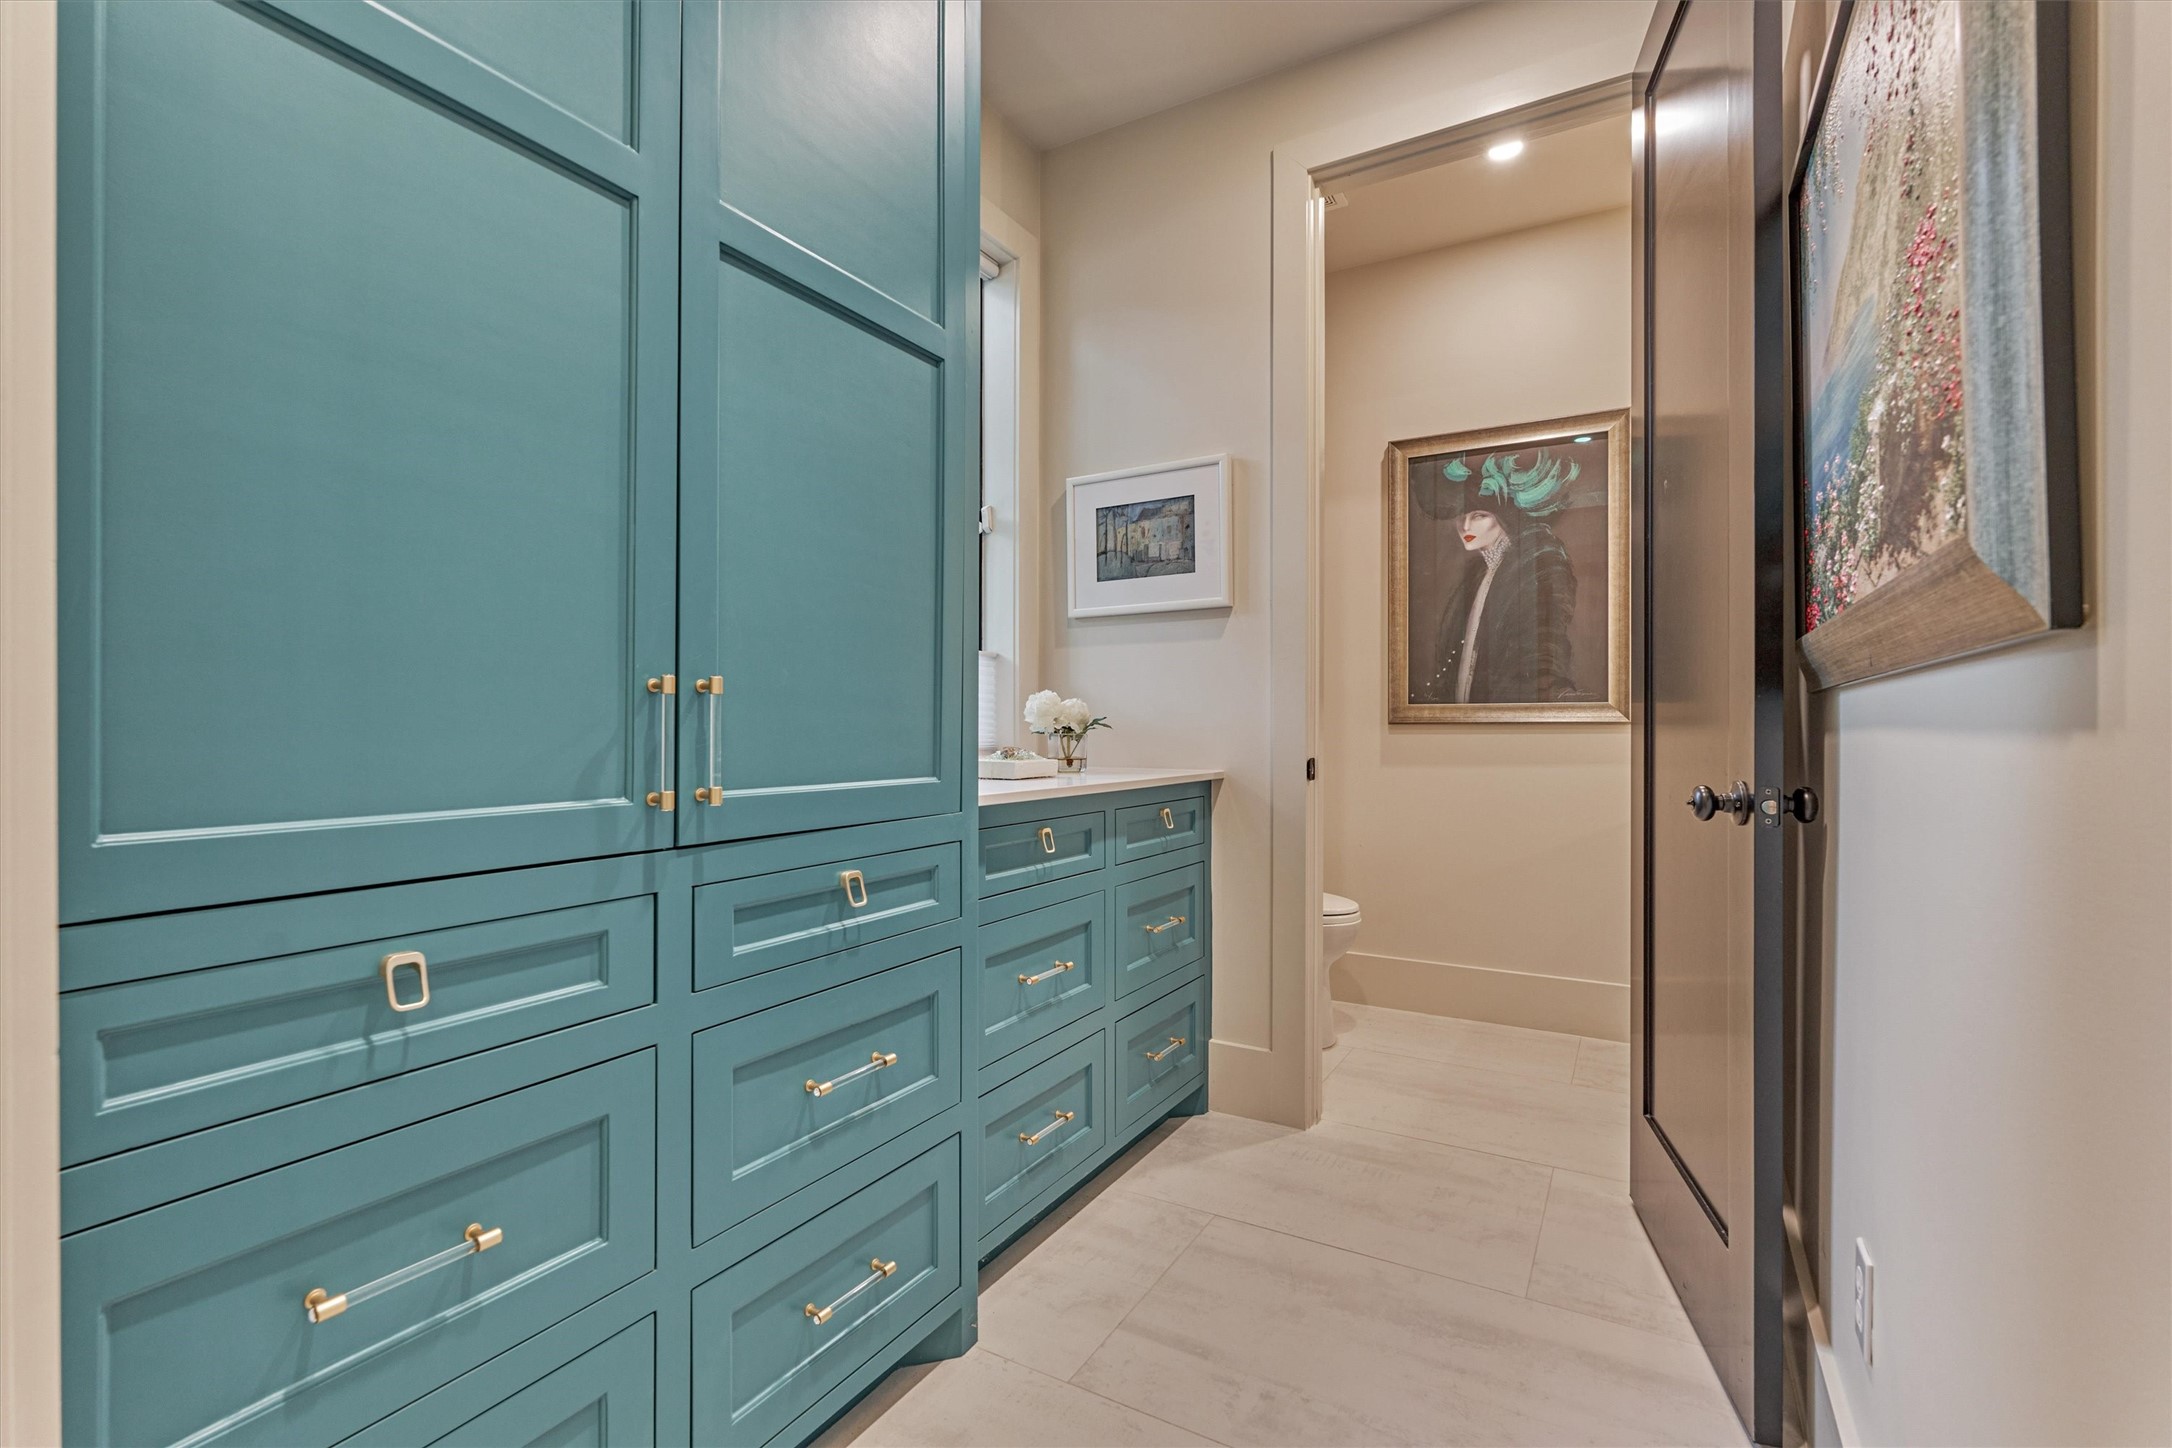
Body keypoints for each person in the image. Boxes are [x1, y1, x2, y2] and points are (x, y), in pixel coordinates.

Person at [1413, 450, 1580, 705]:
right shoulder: (1477, 574)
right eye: (1461, 516)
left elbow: (1543, 648)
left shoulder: (1540, 565)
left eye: (1479, 515)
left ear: (1505, 518)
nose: (1465, 526)